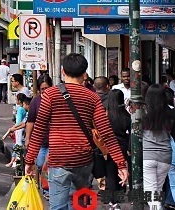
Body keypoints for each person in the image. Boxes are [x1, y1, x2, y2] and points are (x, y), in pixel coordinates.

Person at [26, 53, 128, 210]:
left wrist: (29, 160)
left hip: (58, 159)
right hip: (83, 161)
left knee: (58, 206)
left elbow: (39, 130)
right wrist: (121, 164)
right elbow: (106, 132)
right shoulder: (92, 98)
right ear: (85, 74)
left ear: (62, 72)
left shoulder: (50, 95)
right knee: (81, 205)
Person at [143, 84, 175, 210]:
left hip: (147, 155)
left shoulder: (143, 113)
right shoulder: (171, 113)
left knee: (151, 192)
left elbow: (135, 134)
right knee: (157, 190)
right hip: (165, 155)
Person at [103, 89, 131, 210]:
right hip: (123, 146)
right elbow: (130, 134)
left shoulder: (106, 116)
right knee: (121, 170)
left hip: (109, 147)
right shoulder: (127, 115)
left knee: (111, 174)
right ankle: (119, 194)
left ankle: (113, 201)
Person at [4, 93, 30, 167]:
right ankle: (13, 162)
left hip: (19, 131)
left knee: (17, 146)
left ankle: (14, 162)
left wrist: (13, 128)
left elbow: (19, 122)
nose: (15, 100)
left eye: (16, 99)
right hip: (22, 130)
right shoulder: (24, 110)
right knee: (17, 146)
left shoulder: (20, 109)